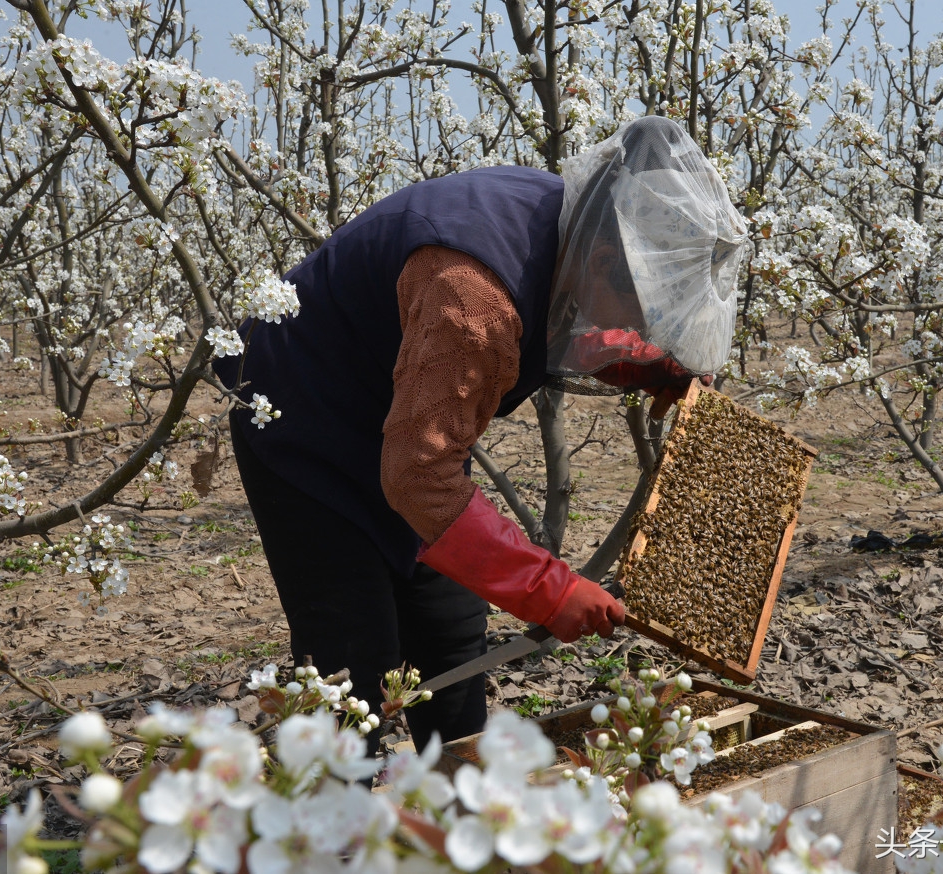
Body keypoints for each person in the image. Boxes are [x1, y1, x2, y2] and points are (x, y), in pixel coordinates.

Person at [214, 115, 749, 751]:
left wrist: (653, 362)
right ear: (607, 260)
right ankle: (332, 823)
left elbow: (562, 324)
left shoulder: (572, 229)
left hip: (402, 413)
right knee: (352, 661)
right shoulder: (473, 300)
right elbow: (416, 475)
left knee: (449, 624)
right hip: (304, 421)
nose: (649, 328)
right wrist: (550, 589)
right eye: (648, 314)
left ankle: (459, 802)